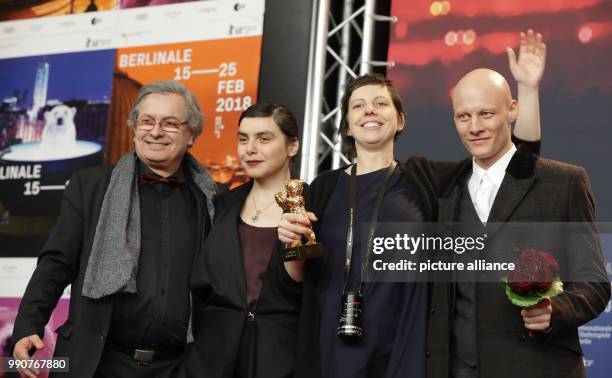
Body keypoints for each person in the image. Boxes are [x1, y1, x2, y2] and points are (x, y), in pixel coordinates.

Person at [278, 30, 546, 378]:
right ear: (345, 125)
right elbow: (295, 279)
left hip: (407, 344)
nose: (369, 111)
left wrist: (527, 88)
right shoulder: (321, 189)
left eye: (381, 103)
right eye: (358, 106)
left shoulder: (427, 179)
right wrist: (291, 245)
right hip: (332, 345)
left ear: (400, 120)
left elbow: (518, 165)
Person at [10, 80, 217, 378]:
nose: (155, 131)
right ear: (134, 128)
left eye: (170, 123)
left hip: (178, 367)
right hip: (97, 362)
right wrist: (28, 325)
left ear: (191, 135)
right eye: (146, 121)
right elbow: (56, 263)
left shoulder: (211, 198)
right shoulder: (90, 186)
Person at [427, 67, 610, 378]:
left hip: (538, 366)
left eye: (486, 114)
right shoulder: (444, 192)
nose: (474, 127)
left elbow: (594, 282)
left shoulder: (564, 182)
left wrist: (556, 310)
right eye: (463, 117)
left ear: (512, 110)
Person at [178, 103, 303, 378]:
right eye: (243, 139)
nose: (250, 149)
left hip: (280, 359)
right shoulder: (221, 205)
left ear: (292, 146)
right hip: (211, 358)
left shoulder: (311, 207)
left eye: (264, 138)